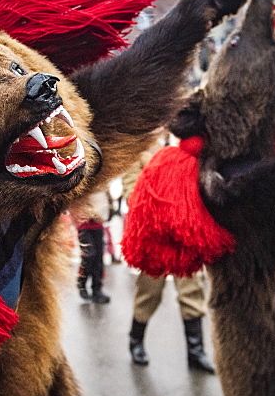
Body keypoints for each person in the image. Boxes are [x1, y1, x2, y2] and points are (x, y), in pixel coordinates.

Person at [122, 140, 215, 373]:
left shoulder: (186, 145)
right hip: (155, 237)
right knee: (148, 294)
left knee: (192, 292)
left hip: (184, 235)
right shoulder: (140, 150)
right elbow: (131, 191)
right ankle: (136, 341)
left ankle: (196, 352)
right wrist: (160, 209)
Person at [75, 190, 111, 303]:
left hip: (98, 223)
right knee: (89, 255)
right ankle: (82, 284)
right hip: (84, 224)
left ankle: (97, 290)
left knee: (98, 259)